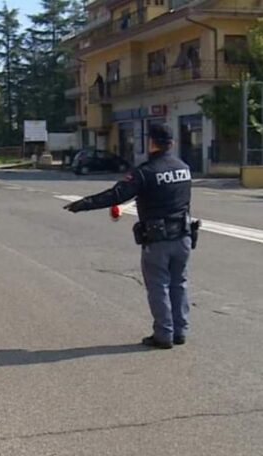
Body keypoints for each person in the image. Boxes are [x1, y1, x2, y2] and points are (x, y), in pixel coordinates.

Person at [64, 124, 198, 350]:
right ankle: (180, 331)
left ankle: (164, 334)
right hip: (183, 236)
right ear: (172, 144)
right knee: (179, 283)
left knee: (158, 286)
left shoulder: (145, 172)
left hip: (158, 240)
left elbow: (116, 195)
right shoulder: (183, 168)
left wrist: (83, 204)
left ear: (151, 143)